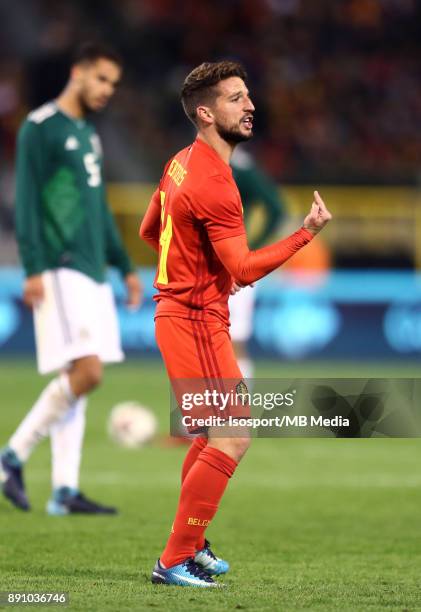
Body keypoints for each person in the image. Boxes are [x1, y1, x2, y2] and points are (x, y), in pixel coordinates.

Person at [139, 60, 331, 587]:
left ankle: (191, 547)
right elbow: (244, 269)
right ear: (205, 113)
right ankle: (173, 560)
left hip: (186, 313)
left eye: (248, 96)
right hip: (195, 319)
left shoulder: (180, 162)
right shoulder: (216, 184)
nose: (250, 106)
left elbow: (148, 228)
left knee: (210, 437)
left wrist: (192, 270)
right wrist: (306, 231)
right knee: (232, 437)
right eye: (235, 98)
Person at [0, 43, 142, 515]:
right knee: (87, 372)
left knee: (77, 377)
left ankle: (64, 490)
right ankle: (12, 455)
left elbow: (100, 209)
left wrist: (124, 266)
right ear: (77, 72)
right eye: (101, 79)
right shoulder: (41, 128)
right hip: (59, 266)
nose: (107, 90)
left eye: (114, 84)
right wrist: (34, 266)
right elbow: (26, 201)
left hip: (93, 268)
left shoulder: (87, 134)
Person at [229, 147, 287, 380]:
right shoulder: (197, 159)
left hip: (231, 265)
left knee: (231, 342)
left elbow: (276, 209)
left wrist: (253, 247)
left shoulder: (239, 166)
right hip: (203, 263)